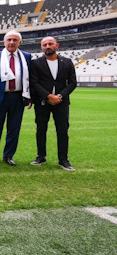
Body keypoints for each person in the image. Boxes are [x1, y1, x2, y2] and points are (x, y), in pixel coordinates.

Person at [0, 30, 32, 166]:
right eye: (9, 40)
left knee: (14, 128)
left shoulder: (27, 57)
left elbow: (30, 78)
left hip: (18, 97)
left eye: (15, 40)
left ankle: (9, 155)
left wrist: (30, 97)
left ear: (20, 42)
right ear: (4, 42)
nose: (11, 42)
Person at [30, 36, 77, 171]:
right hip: (42, 102)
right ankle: (41, 156)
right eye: (44, 45)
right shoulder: (36, 63)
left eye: (50, 44)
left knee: (62, 130)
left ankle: (63, 160)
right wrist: (48, 95)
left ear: (57, 45)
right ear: (41, 48)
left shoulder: (67, 62)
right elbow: (34, 82)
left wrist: (60, 96)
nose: (47, 46)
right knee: (41, 129)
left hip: (61, 102)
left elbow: (73, 83)